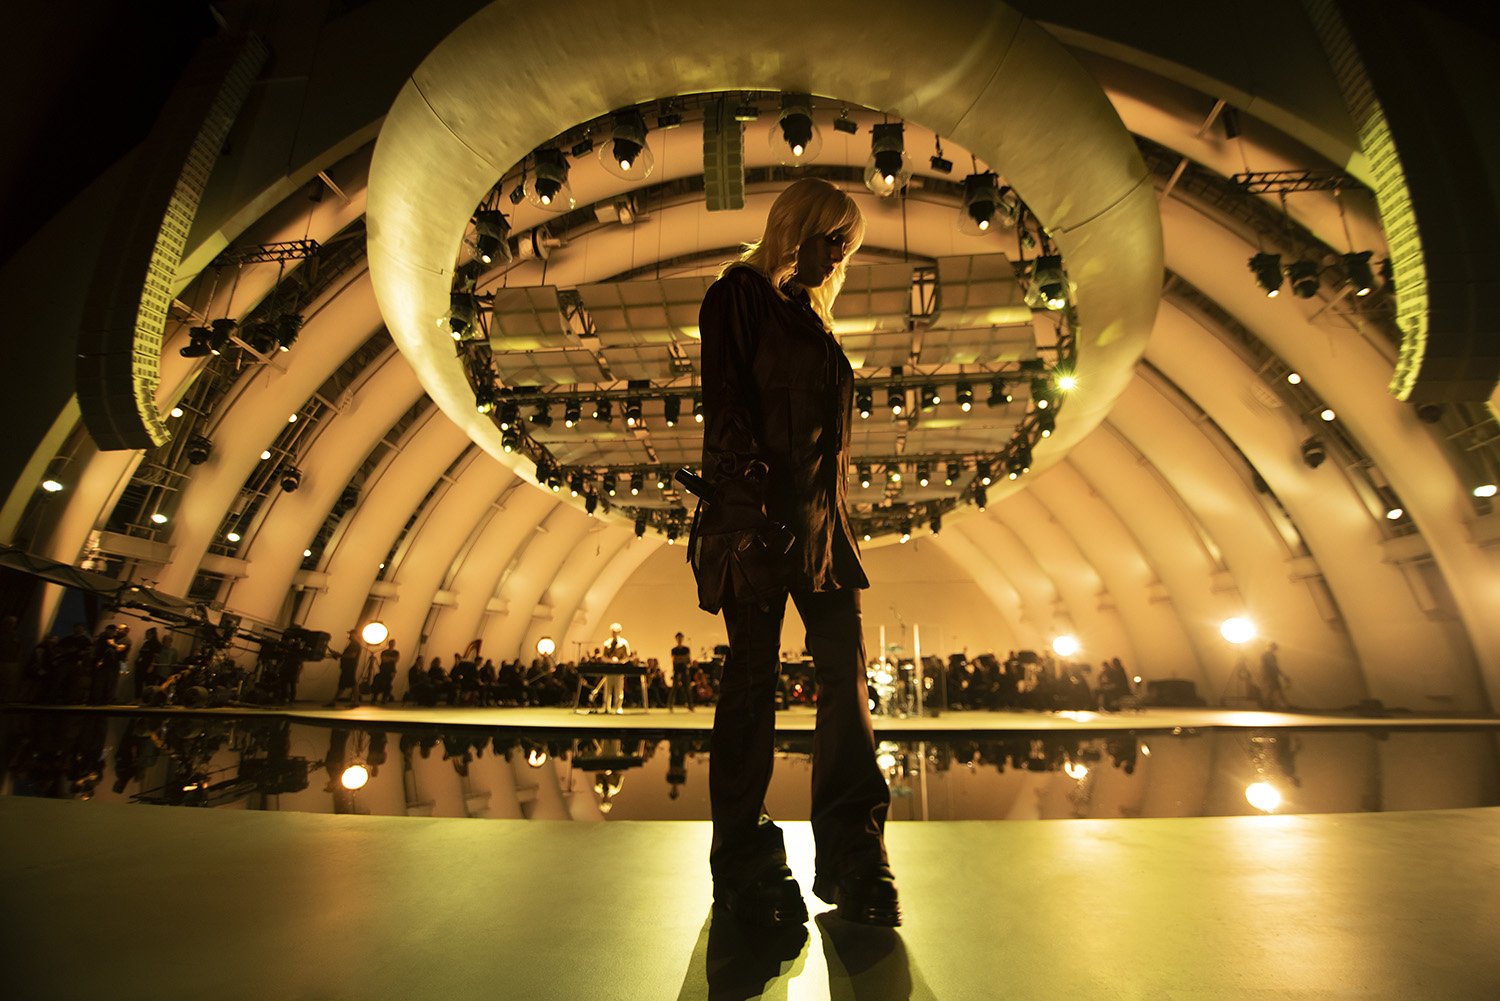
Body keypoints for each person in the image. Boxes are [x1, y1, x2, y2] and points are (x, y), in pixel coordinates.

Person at [688, 177, 898, 928]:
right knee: (752, 681)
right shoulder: (738, 295)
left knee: (846, 679)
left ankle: (852, 851)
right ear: (793, 227)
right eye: (829, 236)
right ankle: (742, 858)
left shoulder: (814, 316)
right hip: (757, 522)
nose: (839, 253)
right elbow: (729, 414)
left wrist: (830, 521)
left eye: (847, 243)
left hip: (821, 526)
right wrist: (743, 518)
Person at [326, 630, 361, 707]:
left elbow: (352, 655)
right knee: (344, 684)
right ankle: (333, 701)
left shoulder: (355, 645)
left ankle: (356, 702)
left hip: (350, 667)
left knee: (351, 684)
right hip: (347, 667)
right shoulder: (352, 644)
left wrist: (340, 655)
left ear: (355, 635)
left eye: (350, 634)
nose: (349, 636)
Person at [602, 622, 631, 715]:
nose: (614, 633)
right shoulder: (607, 643)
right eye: (613, 631)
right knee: (608, 689)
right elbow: (603, 657)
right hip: (609, 669)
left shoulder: (623, 643)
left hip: (619, 669)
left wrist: (620, 661)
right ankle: (607, 707)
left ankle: (618, 707)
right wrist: (610, 661)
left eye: (616, 631)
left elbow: (627, 656)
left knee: (619, 689)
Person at [669, 631, 695, 712]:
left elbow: (688, 660)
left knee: (687, 688)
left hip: (684, 670)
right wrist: (682, 659)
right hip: (676, 670)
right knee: (674, 688)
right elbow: (674, 660)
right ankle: (670, 705)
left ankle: (690, 706)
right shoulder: (674, 650)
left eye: (681, 638)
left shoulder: (686, 649)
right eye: (678, 638)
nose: (679, 639)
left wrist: (680, 659)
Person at [371, 639, 399, 704]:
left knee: (388, 684)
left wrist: (388, 658)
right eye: (391, 643)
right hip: (383, 670)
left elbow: (396, 659)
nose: (392, 644)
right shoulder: (384, 652)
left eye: (393, 643)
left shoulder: (396, 652)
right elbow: (384, 659)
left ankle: (384, 699)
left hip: (391, 671)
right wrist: (391, 659)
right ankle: (375, 698)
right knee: (378, 683)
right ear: (389, 644)